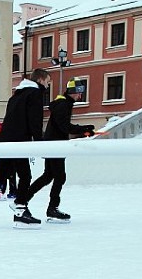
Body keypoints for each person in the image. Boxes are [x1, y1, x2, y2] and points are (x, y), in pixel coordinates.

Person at [0, 68, 51, 229]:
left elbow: (9, 119)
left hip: (6, 141)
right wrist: (40, 143)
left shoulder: (16, 95)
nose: (48, 85)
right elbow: (34, 121)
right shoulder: (35, 94)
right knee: (25, 176)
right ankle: (20, 210)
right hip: (19, 142)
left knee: (1, 175)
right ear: (40, 79)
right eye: (47, 81)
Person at [27, 79, 95, 223]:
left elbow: (62, 126)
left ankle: (23, 200)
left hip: (54, 144)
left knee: (48, 176)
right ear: (73, 92)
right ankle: (51, 208)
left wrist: (83, 131)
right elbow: (64, 127)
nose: (80, 97)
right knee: (59, 177)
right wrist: (83, 130)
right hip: (55, 145)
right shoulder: (63, 104)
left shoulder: (63, 104)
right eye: (78, 93)